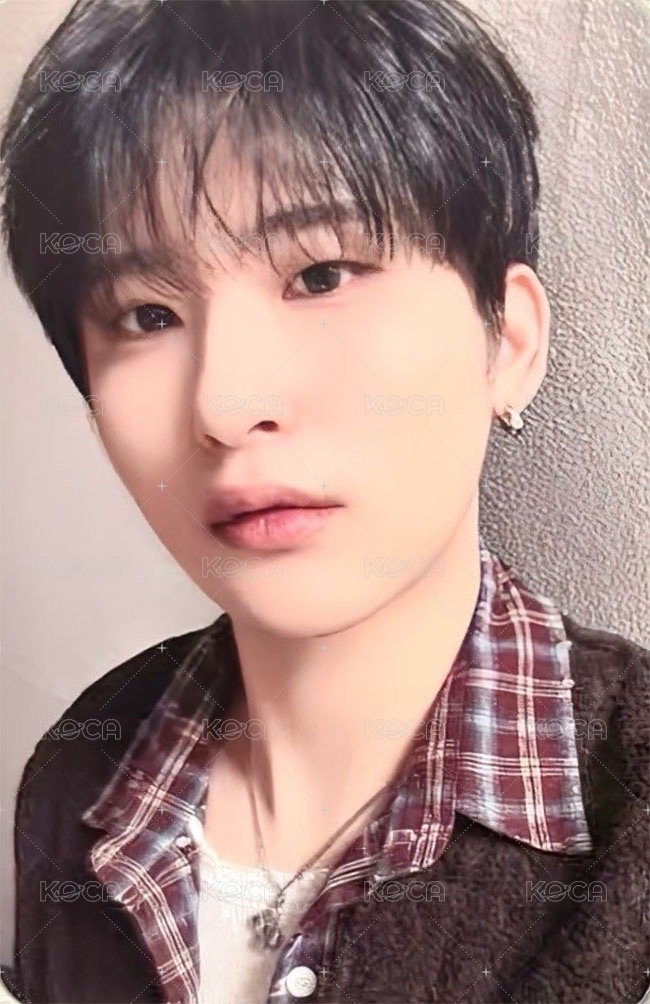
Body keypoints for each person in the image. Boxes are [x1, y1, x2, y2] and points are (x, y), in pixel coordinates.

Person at [0, 1, 647, 1002]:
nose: (224, 404)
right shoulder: (81, 774)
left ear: (508, 341)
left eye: (320, 274)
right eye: (148, 314)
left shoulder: (628, 806)